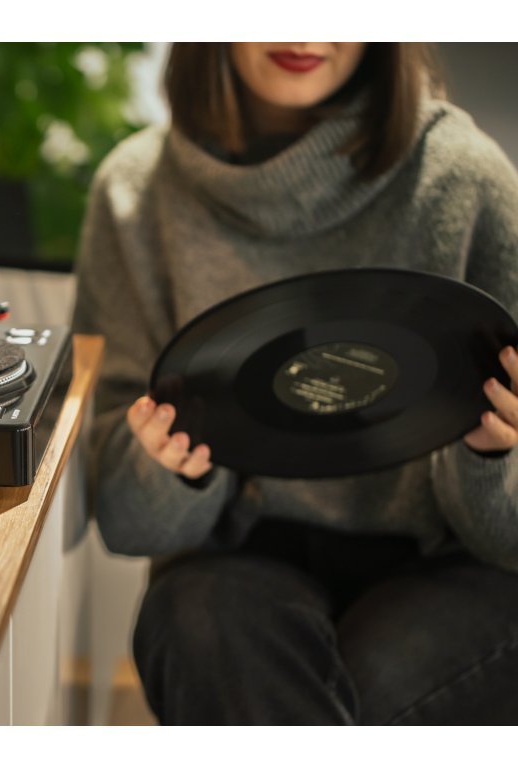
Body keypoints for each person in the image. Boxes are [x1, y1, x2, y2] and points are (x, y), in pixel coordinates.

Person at [72, 42, 518, 725]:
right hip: (240, 557)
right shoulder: (133, 192)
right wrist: (164, 467)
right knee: (197, 625)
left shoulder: (467, 179)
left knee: (362, 688)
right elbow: (126, 523)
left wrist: (493, 459)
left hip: (450, 563)